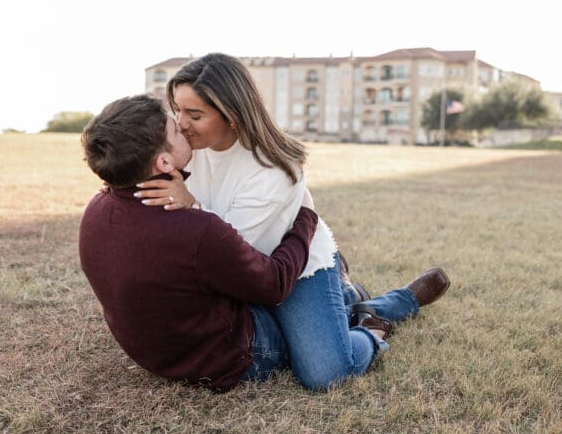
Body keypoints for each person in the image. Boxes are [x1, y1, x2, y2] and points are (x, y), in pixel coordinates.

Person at [133, 53, 450, 391]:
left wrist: (191, 204)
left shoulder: (273, 166)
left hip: (292, 266)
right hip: (243, 276)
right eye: (176, 110)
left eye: (194, 114)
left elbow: (234, 250)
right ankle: (344, 298)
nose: (180, 123)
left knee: (325, 373)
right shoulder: (184, 146)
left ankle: (379, 316)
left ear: (233, 116)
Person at [78, 94, 318, 392]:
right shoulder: (196, 228)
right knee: (317, 341)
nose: (183, 125)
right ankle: (356, 306)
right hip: (233, 358)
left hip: (157, 358)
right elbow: (274, 284)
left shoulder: (95, 209)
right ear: (163, 161)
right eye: (175, 129)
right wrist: (306, 218)